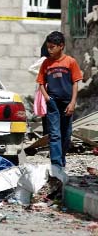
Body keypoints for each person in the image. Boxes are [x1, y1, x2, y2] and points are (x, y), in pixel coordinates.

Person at [37, 31, 83, 168]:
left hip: (67, 103)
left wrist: (73, 102)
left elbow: (75, 82)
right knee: (54, 134)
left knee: (66, 134)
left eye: (52, 47)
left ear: (61, 46)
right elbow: (40, 82)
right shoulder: (46, 63)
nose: (49, 50)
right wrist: (46, 98)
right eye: (48, 47)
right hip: (53, 103)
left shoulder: (70, 62)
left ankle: (62, 158)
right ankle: (56, 164)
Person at [28, 39, 49, 135]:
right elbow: (31, 69)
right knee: (45, 112)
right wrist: (43, 75)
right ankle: (46, 134)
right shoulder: (44, 59)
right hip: (44, 87)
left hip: (52, 87)